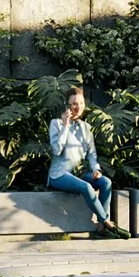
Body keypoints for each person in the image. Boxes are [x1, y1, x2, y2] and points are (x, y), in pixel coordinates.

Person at [48, 85, 115, 232]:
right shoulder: (56, 124)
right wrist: (65, 126)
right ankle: (106, 222)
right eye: (74, 104)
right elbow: (56, 150)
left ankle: (100, 228)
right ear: (67, 106)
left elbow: (91, 154)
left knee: (106, 183)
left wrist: (96, 169)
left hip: (79, 174)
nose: (78, 107)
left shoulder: (86, 128)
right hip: (59, 175)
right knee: (86, 187)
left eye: (81, 103)